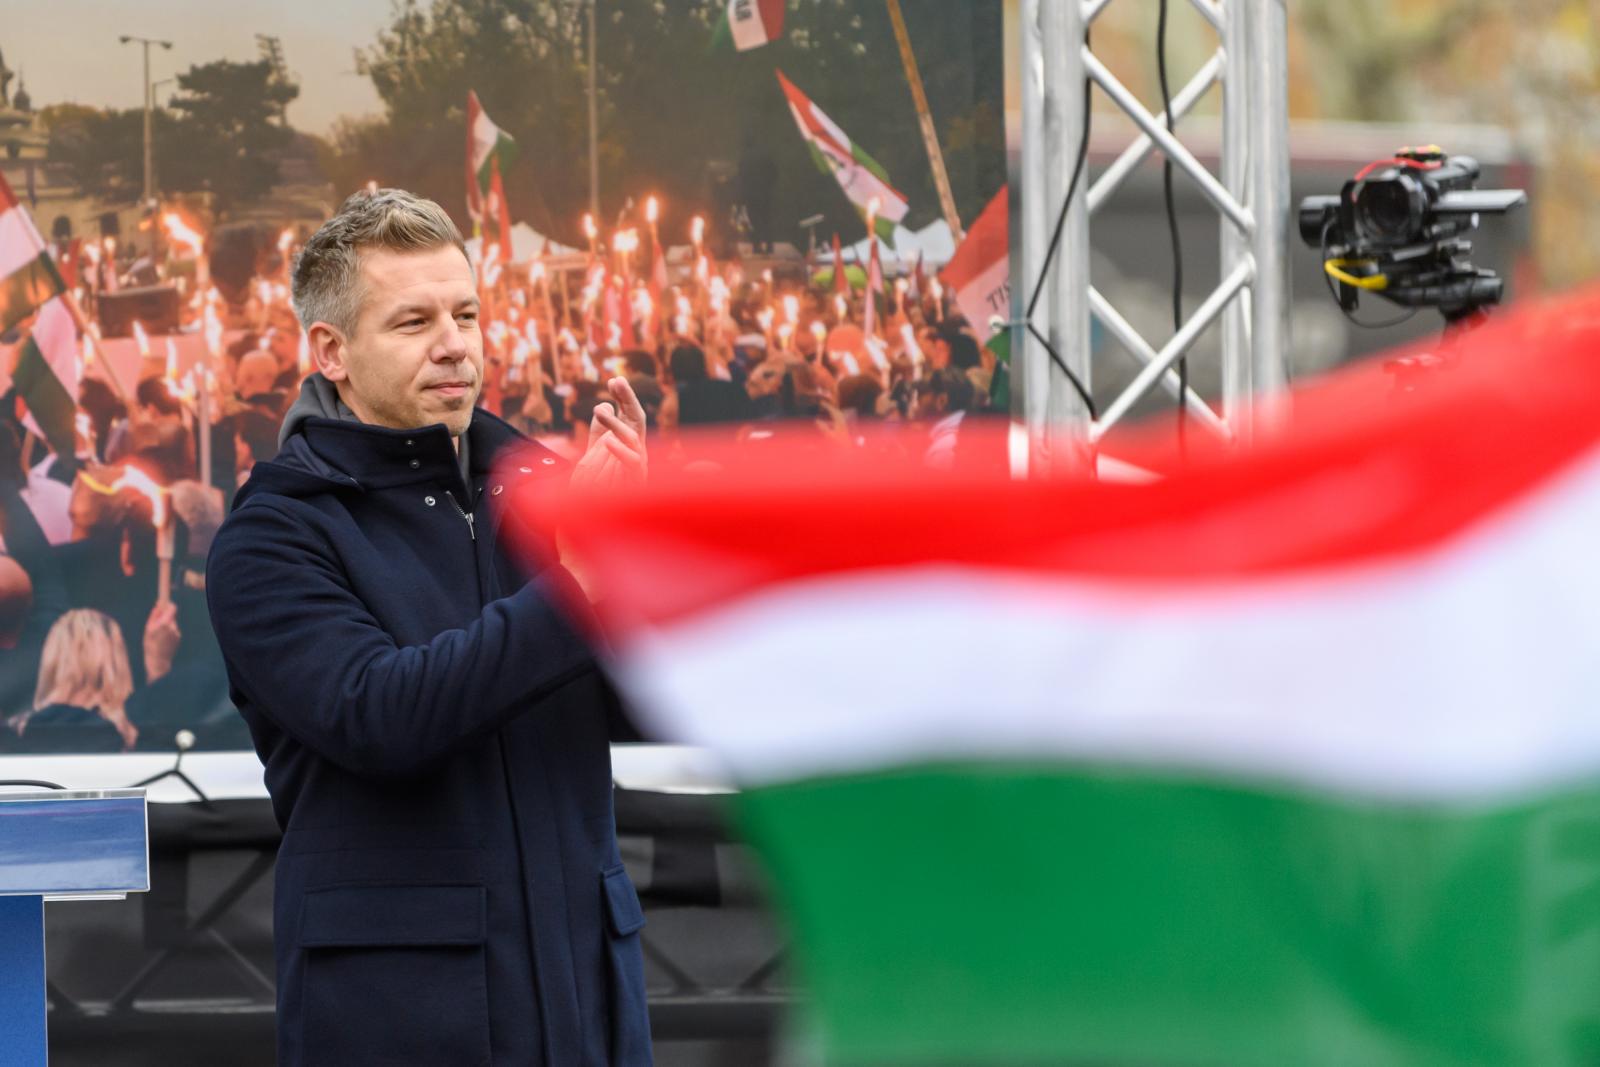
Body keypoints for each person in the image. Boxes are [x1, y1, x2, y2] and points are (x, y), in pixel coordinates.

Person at [205, 188, 652, 1066]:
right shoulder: (274, 535)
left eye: (466, 314)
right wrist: (577, 584)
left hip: (589, 1007)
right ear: (330, 351)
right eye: (414, 321)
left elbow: (641, 705)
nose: (454, 343)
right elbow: (381, 716)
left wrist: (640, 567)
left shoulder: (546, 491)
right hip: (403, 1017)